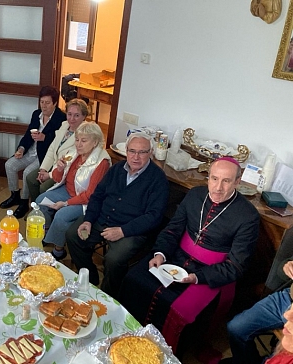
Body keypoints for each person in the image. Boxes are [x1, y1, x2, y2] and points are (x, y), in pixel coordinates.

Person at [118, 157, 260, 354]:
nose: (218, 187)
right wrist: (160, 253)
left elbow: (236, 266)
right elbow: (172, 230)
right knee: (134, 279)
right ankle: (125, 338)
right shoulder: (195, 194)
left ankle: (163, 354)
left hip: (210, 272)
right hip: (175, 257)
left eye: (226, 181)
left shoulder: (248, 216)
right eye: (214, 179)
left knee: (179, 311)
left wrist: (198, 277)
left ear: (237, 181)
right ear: (208, 177)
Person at [66, 132, 169, 297]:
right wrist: (88, 220)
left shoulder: (158, 179)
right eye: (132, 151)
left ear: (150, 153)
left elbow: (154, 216)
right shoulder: (117, 169)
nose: (136, 156)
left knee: (114, 259)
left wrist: (122, 231)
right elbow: (97, 196)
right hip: (102, 220)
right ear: (126, 151)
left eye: (142, 152)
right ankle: (90, 280)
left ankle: (108, 295)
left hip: (131, 229)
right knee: (73, 235)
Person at [37, 122, 111, 260]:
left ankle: (58, 250)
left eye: (84, 141)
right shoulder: (74, 152)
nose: (78, 144)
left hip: (85, 200)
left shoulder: (102, 162)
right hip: (68, 190)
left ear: (95, 142)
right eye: (77, 140)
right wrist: (59, 169)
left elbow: (90, 195)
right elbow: (59, 179)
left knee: (61, 215)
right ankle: (47, 233)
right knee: (40, 200)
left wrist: (65, 203)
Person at [0, 86, 65, 218]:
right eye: (42, 102)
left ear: (55, 103)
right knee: (10, 165)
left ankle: (24, 203)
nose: (44, 106)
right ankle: (15, 195)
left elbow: (59, 143)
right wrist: (21, 149)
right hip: (30, 152)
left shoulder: (61, 118)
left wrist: (44, 138)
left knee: (27, 173)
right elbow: (28, 134)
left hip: (44, 156)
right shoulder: (36, 114)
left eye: (47, 103)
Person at [220, 256, 293, 364]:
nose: (286, 315)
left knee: (282, 354)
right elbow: (280, 270)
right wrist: (286, 267)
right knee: (236, 327)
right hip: (287, 298)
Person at [26, 98, 88, 204]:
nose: (72, 118)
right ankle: (36, 208)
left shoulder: (84, 134)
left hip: (65, 170)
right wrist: (43, 169)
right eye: (69, 114)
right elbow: (52, 149)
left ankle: (46, 212)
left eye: (77, 115)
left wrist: (49, 174)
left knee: (43, 187)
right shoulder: (64, 125)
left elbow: (69, 160)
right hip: (54, 164)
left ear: (84, 116)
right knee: (31, 179)